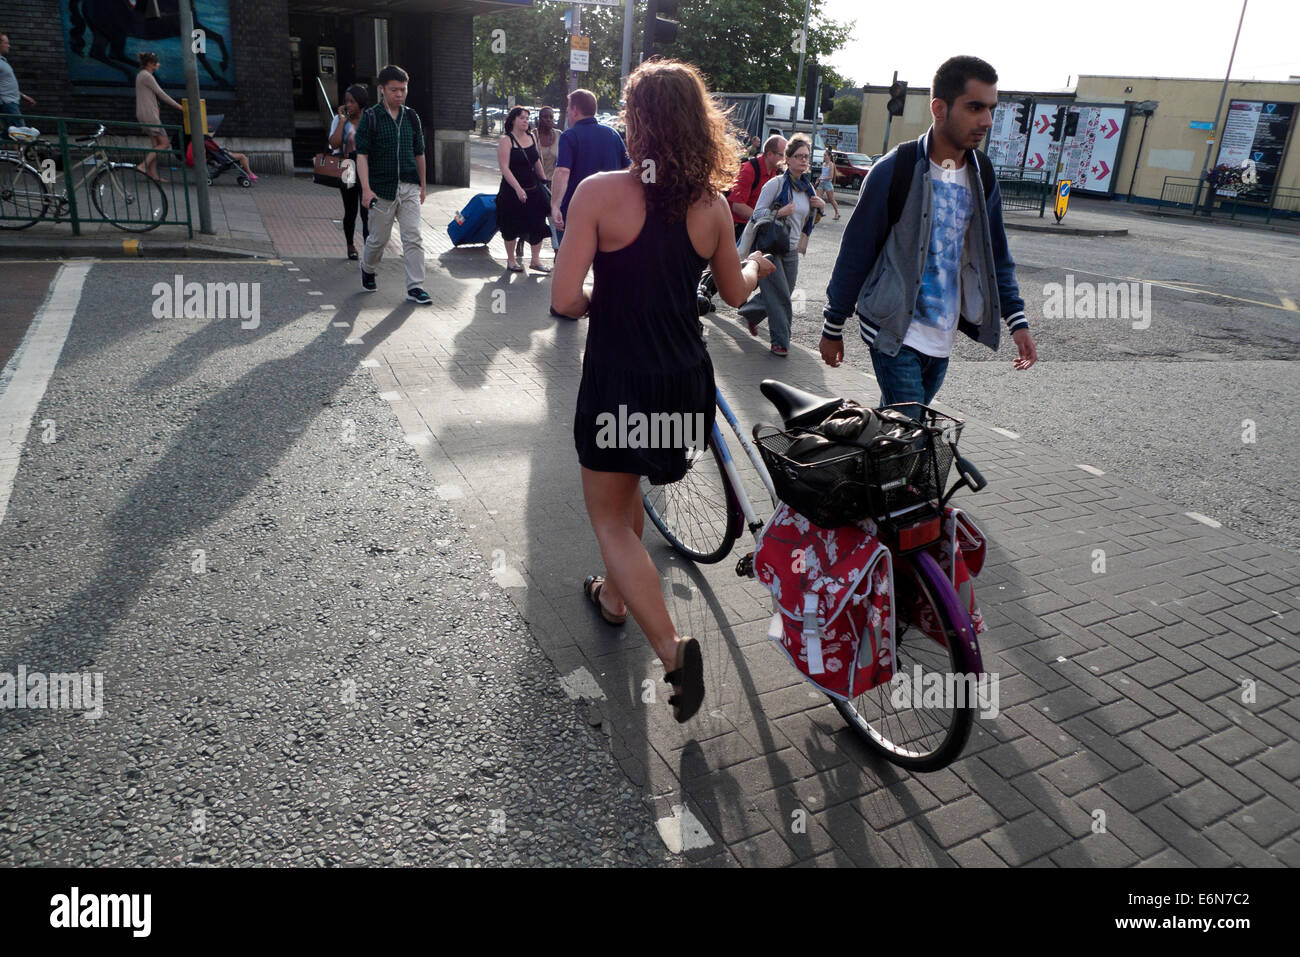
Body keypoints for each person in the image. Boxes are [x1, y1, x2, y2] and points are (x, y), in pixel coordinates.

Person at [551, 58, 774, 724]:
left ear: (637, 123)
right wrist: (762, 261)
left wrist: (601, 301)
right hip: (683, 385)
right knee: (632, 497)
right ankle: (615, 599)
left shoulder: (597, 193)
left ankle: (675, 651)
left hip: (620, 380)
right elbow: (735, 294)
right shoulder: (710, 205)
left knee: (611, 517)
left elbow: (565, 299)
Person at [820, 55, 1037, 404]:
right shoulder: (894, 169)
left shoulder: (982, 173)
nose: (987, 120)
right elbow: (856, 252)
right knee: (911, 430)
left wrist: (1017, 320)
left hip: (942, 335)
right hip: (893, 330)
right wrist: (833, 325)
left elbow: (996, 252)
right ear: (939, 108)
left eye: (991, 108)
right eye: (975, 107)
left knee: (899, 435)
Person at [736, 134, 824, 356]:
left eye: (806, 156)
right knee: (782, 297)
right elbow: (757, 214)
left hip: (792, 250)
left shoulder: (808, 189)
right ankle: (780, 342)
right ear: (788, 159)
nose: (804, 161)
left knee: (784, 292)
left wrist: (820, 207)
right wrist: (780, 212)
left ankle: (749, 312)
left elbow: (808, 221)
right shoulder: (775, 184)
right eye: (798, 156)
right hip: (770, 248)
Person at [356, 64, 430, 305]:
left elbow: (419, 152)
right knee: (378, 239)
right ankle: (367, 268)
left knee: (413, 237)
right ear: (382, 90)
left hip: (408, 185)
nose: (399, 94)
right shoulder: (371, 117)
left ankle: (415, 287)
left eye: (403, 89)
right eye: (394, 89)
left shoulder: (411, 117)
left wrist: (423, 185)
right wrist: (366, 189)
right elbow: (362, 156)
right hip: (381, 189)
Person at [550, 89, 629, 246]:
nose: (567, 114)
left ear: (575, 110)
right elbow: (628, 169)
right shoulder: (612, 134)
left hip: (576, 210)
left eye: (568, 110)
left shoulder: (569, 136)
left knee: (572, 262)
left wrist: (555, 205)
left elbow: (562, 172)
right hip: (609, 212)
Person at [495, 106, 551, 273]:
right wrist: (518, 189)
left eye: (527, 117)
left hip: (533, 189)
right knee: (511, 224)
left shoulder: (531, 137)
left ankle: (535, 260)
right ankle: (511, 261)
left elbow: (536, 161)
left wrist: (544, 180)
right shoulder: (506, 141)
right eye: (522, 118)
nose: (526, 120)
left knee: (538, 223)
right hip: (511, 191)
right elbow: (505, 168)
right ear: (513, 120)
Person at [330, 84, 368, 258]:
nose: (348, 105)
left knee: (367, 210)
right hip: (347, 166)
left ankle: (369, 248)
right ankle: (351, 245)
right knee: (350, 210)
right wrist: (342, 122)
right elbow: (334, 144)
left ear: (361, 102)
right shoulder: (339, 120)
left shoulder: (369, 119)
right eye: (346, 101)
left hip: (367, 166)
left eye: (352, 101)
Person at [727, 133, 786, 241]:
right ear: (769, 154)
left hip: (759, 227)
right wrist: (766, 218)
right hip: (740, 230)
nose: (785, 159)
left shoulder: (776, 171)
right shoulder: (748, 170)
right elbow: (738, 206)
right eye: (782, 155)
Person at [134, 52, 182, 182]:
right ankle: (142, 166)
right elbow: (161, 93)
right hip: (150, 115)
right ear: (150, 64)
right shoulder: (146, 76)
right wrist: (179, 106)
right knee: (165, 143)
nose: (159, 65)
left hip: (145, 114)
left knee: (156, 144)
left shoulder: (141, 75)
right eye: (157, 63)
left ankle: (153, 175)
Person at [0, 33, 36, 136]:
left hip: (11, 102)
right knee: (20, 133)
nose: (9, 46)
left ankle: (17, 152)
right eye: (6, 43)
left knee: (11, 133)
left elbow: (7, 84)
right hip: (7, 103)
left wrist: (24, 96)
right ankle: (20, 152)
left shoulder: (3, 61)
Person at [816, 148, 840, 220]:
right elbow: (823, 174)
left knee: (831, 200)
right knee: (818, 198)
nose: (824, 156)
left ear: (829, 156)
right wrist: (819, 179)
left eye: (825, 155)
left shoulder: (831, 164)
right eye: (824, 155)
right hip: (821, 183)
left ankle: (837, 213)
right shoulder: (823, 164)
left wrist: (822, 179)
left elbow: (830, 176)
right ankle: (821, 212)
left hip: (827, 184)